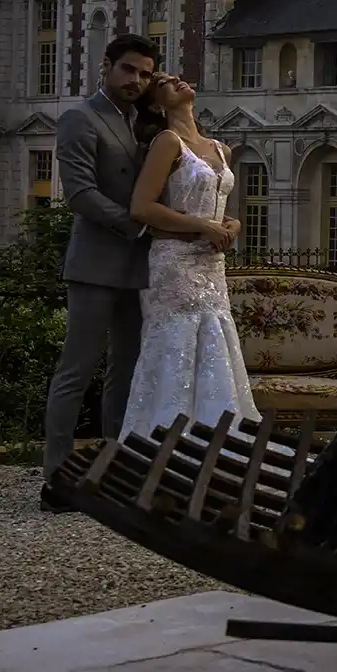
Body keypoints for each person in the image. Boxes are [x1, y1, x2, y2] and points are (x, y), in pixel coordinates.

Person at [42, 35, 176, 507]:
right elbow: (80, 195)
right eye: (128, 70)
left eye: (145, 74)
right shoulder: (81, 117)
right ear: (106, 67)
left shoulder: (144, 122)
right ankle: (55, 479)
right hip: (98, 263)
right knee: (75, 373)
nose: (135, 81)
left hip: (139, 268)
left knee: (127, 371)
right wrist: (138, 227)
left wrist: (165, 102)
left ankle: (114, 471)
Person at [118, 72, 257, 448]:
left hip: (212, 266)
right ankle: (164, 446)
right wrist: (203, 227)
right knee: (175, 350)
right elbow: (141, 207)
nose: (176, 80)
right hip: (175, 264)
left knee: (216, 348)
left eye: (175, 77)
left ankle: (218, 446)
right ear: (157, 104)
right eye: (164, 82)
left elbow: (227, 209)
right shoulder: (167, 141)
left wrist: (233, 225)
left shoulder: (220, 148)